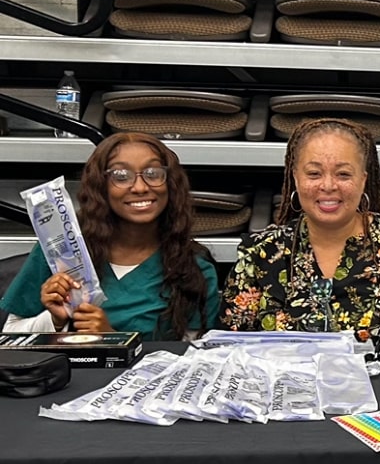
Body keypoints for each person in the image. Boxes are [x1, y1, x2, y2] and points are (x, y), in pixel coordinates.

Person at [219, 117, 380, 333]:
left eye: (343, 174)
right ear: (295, 178)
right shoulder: (260, 253)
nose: (328, 185)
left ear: (363, 180)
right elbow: (229, 347)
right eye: (314, 173)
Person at [1, 131, 219, 339]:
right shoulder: (62, 250)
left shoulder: (194, 269)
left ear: (170, 184)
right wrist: (55, 321)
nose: (140, 187)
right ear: (100, 187)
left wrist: (113, 338)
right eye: (121, 176)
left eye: (153, 174)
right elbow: (10, 335)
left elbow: (193, 359)